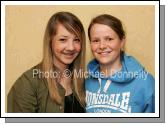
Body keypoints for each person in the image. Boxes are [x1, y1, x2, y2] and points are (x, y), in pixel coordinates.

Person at [7, 12, 86, 113]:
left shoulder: (84, 81)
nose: (71, 47)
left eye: (77, 40)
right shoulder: (28, 83)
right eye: (63, 40)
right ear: (50, 41)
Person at [85, 14, 155, 113]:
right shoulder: (87, 82)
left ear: (122, 42)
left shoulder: (145, 82)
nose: (102, 46)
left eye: (109, 39)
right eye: (96, 40)